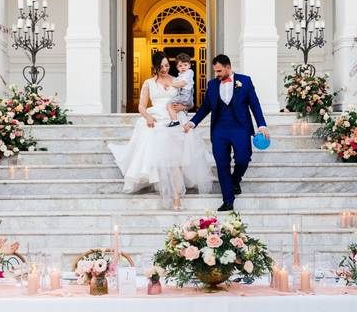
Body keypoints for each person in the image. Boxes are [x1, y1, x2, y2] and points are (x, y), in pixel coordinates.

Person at [109, 51, 213, 209]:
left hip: (175, 118)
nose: (165, 69)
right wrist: (148, 118)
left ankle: (176, 196)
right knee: (162, 155)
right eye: (161, 66)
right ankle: (168, 191)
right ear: (155, 67)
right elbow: (141, 106)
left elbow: (189, 102)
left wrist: (183, 107)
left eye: (166, 65)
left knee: (177, 158)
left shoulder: (177, 80)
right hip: (156, 119)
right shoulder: (148, 83)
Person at [184, 54, 269, 211]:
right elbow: (205, 107)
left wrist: (262, 125)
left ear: (228, 68)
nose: (216, 75)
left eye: (219, 71)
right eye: (215, 71)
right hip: (219, 130)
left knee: (243, 159)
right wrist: (192, 122)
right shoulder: (212, 85)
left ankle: (235, 181)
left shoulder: (245, 81)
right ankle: (228, 200)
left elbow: (255, 104)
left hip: (240, 128)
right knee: (222, 164)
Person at [166, 53, 195, 127]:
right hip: (184, 95)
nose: (183, 67)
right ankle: (181, 115)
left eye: (185, 65)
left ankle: (175, 121)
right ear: (177, 67)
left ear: (189, 65)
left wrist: (171, 85)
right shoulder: (180, 75)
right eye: (180, 66)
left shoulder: (189, 72)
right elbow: (177, 83)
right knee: (175, 107)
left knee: (169, 104)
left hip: (185, 95)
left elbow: (182, 83)